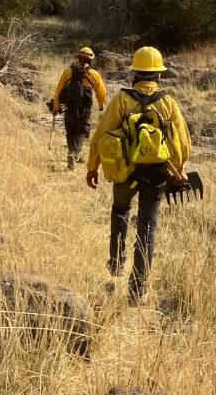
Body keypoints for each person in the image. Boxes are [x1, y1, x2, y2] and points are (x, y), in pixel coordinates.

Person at [85, 46, 191, 305]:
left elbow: (101, 136)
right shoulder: (168, 102)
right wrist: (180, 168)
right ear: (158, 75)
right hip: (157, 175)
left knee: (120, 211)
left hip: (124, 171)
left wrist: (92, 166)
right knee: (147, 228)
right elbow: (182, 143)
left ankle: (116, 264)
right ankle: (138, 288)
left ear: (135, 72)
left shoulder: (122, 100)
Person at [52, 47, 107, 170]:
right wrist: (101, 104)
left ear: (77, 58)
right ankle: (75, 154)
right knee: (81, 131)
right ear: (90, 60)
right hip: (85, 108)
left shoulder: (68, 73)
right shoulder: (93, 74)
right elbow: (101, 91)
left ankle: (73, 152)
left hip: (68, 107)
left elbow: (59, 90)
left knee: (70, 130)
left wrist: (56, 107)